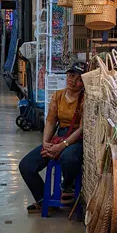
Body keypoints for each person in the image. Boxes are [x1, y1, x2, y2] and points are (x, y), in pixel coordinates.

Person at [19, 61, 87, 213]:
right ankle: (44, 200)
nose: (73, 80)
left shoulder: (85, 100)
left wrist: (62, 146)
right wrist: (45, 143)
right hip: (60, 136)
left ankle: (67, 185)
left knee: (68, 158)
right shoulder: (58, 96)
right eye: (70, 75)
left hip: (76, 139)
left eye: (78, 78)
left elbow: (82, 129)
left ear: (83, 83)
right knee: (26, 165)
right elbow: (50, 122)